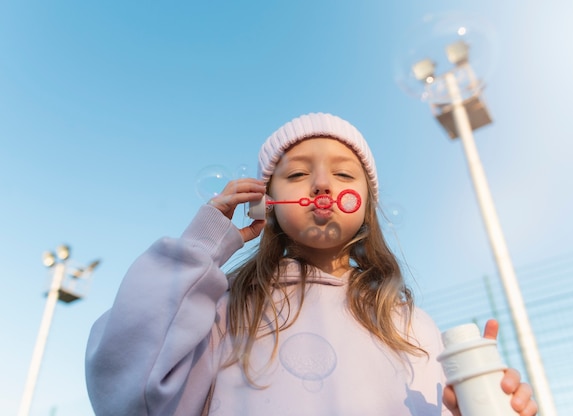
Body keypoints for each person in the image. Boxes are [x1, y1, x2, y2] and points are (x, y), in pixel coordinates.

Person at [85, 113, 537, 416]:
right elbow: (130, 392)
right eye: (298, 173)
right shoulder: (227, 306)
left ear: (365, 204)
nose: (322, 183)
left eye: (343, 174)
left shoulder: (414, 326)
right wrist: (201, 245)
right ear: (268, 205)